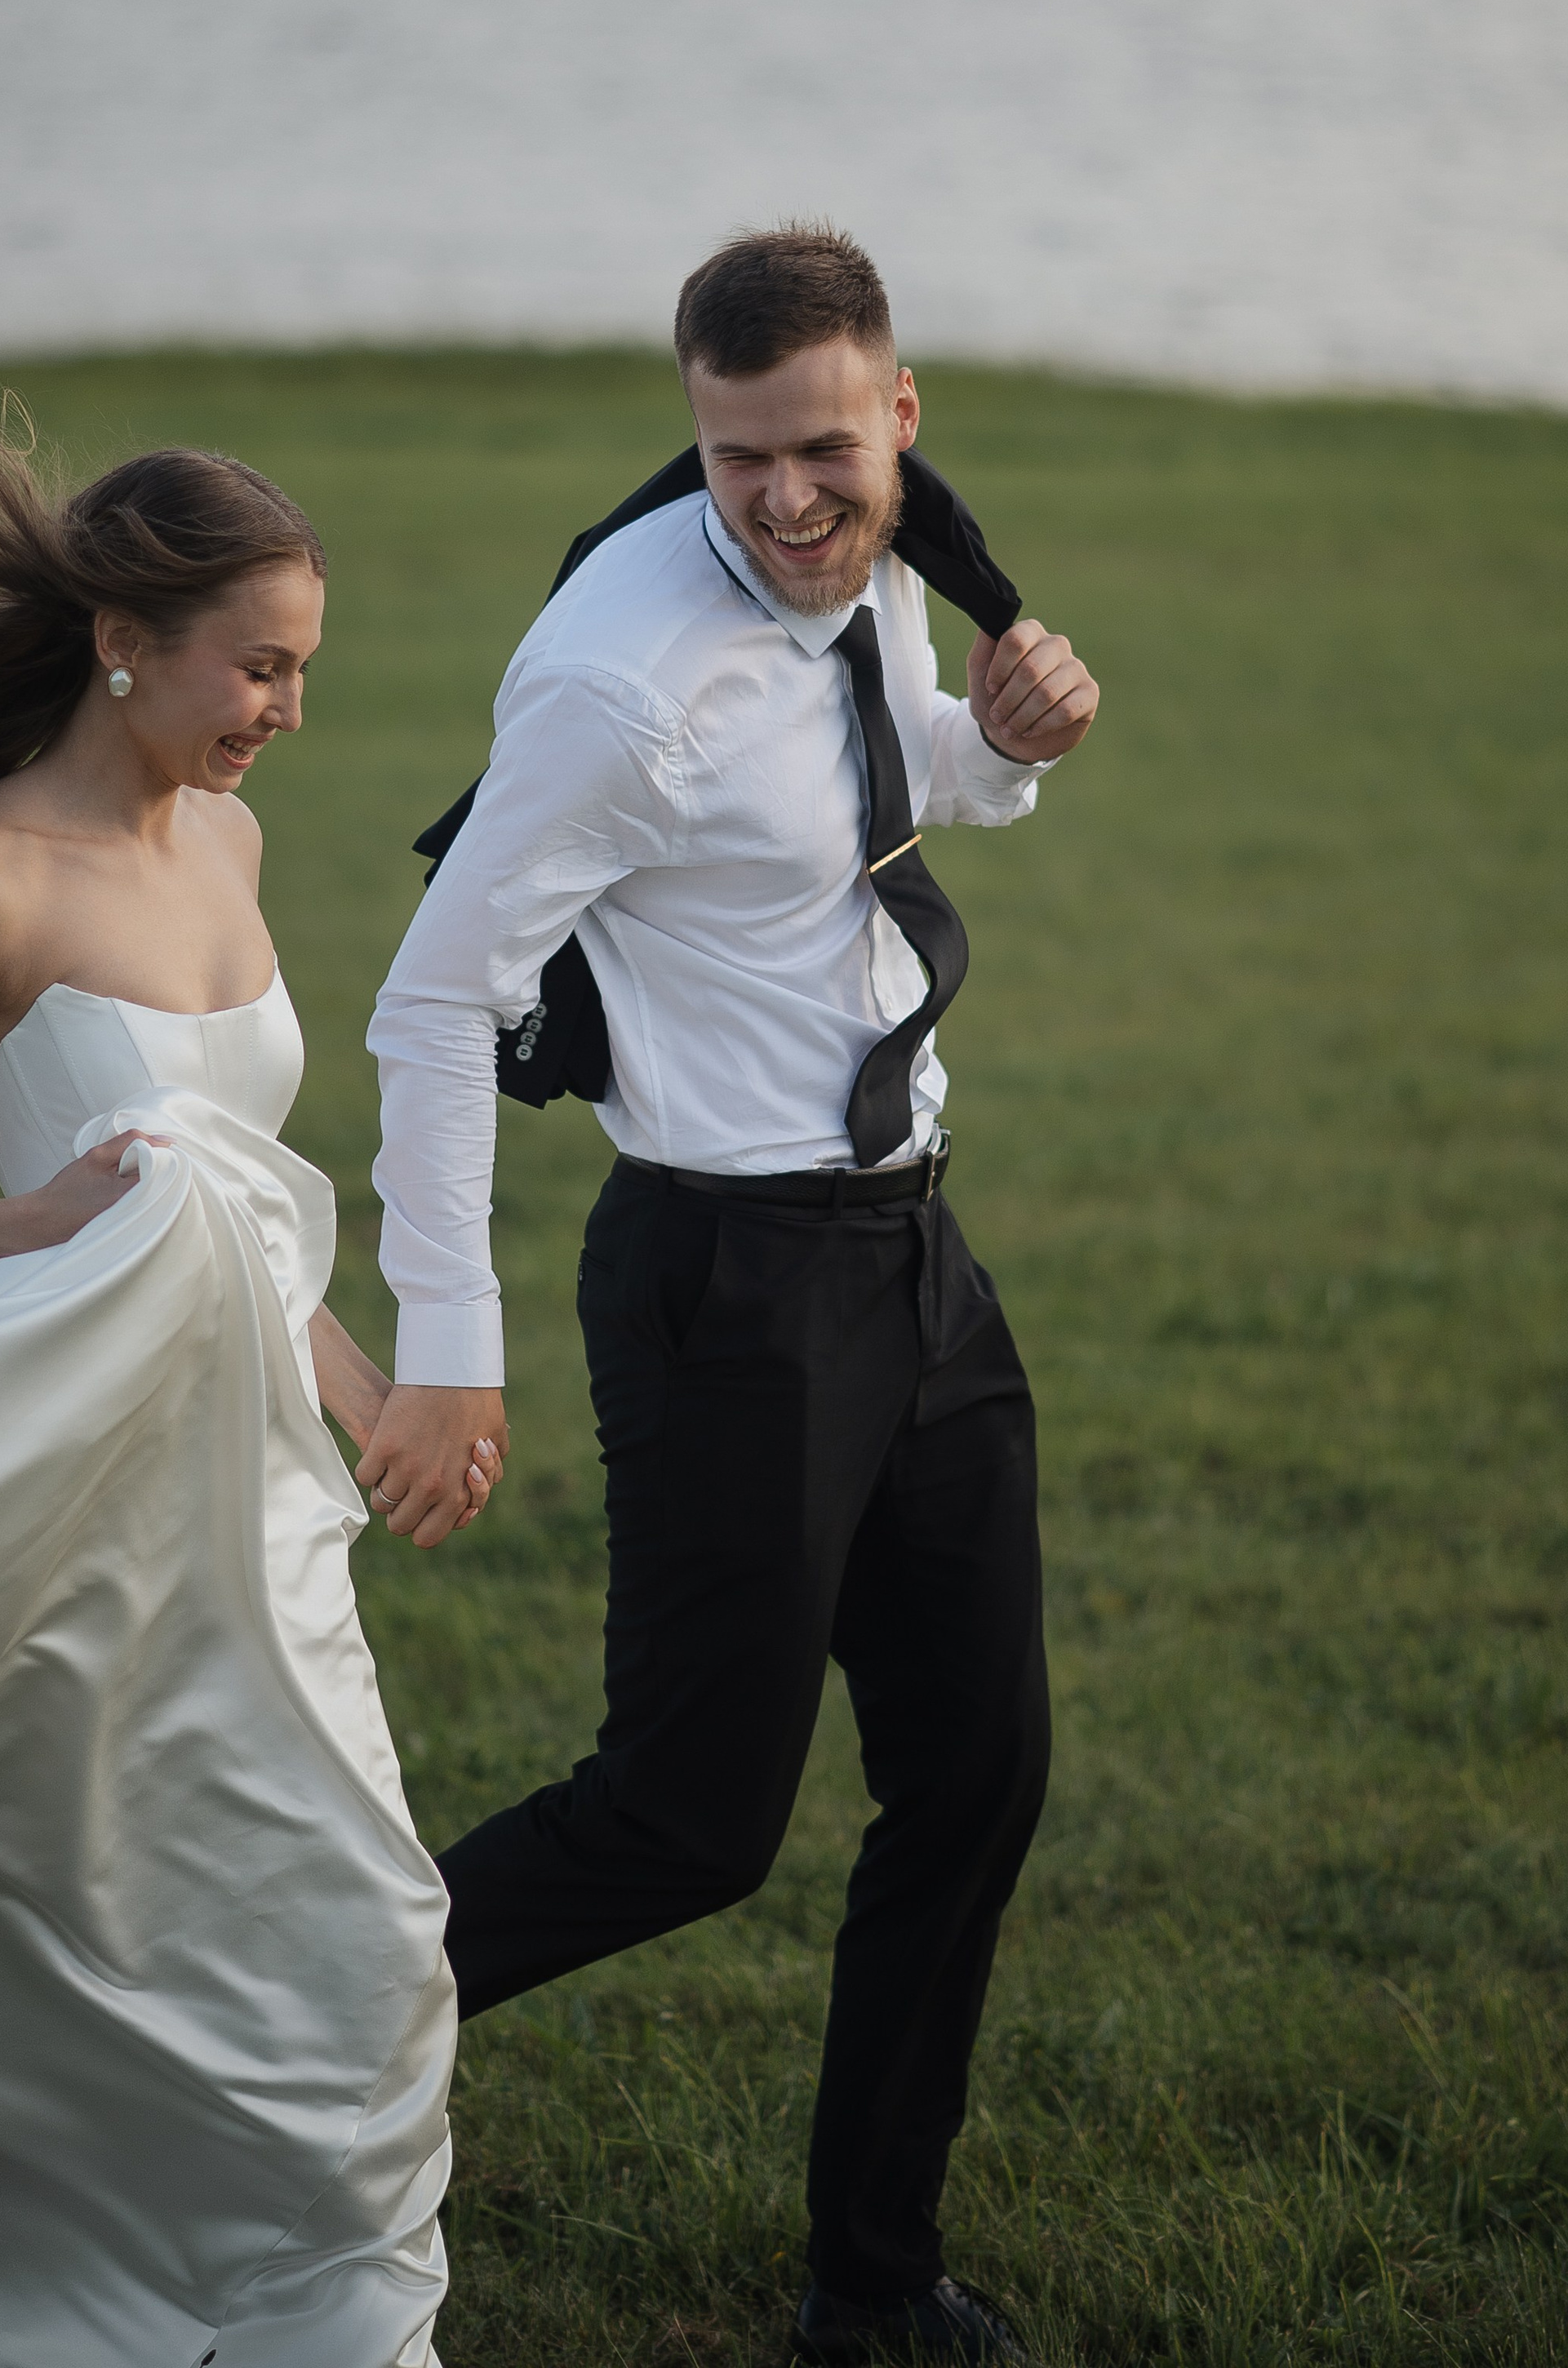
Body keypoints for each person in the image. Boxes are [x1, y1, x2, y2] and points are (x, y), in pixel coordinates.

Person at [366, 226, 1099, 2364]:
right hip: (725, 1286)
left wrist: (1013, 737)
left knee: (979, 1775)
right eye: (734, 459)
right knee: (687, 1825)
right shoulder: (617, 679)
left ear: (899, 421)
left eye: (822, 454)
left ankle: (869, 2292)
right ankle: (272, 2027)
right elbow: (436, 1003)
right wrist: (450, 1347)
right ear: (693, 433)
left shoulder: (871, 569)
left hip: (916, 1259)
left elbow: (878, 788)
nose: (783, 501)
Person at [0, 426, 494, 2368]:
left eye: (304, 666)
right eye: (259, 665)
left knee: (297, 1911)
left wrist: (364, 1384)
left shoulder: (225, 842)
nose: (289, 710)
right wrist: (18, 1226)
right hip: (48, 1480)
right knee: (5, 1871)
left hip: (244, 1486)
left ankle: (199, 2256)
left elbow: (226, 1188)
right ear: (124, 642)